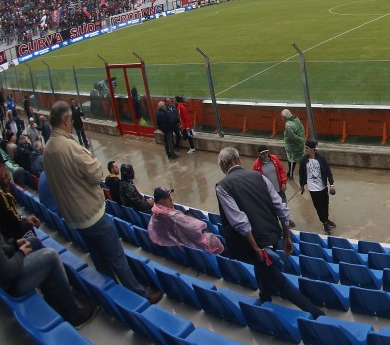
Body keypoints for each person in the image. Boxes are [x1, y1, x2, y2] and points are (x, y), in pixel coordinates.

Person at [43, 101, 161, 303]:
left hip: (73, 217)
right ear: (65, 120)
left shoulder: (48, 149)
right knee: (116, 256)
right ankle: (139, 295)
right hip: (90, 213)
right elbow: (97, 174)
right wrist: (90, 156)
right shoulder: (69, 146)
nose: (71, 122)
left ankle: (113, 295)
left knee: (99, 258)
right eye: (70, 119)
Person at [214, 147, 324, 325]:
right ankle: (265, 297)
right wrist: (286, 236)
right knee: (263, 269)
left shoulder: (223, 186)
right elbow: (281, 208)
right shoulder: (260, 177)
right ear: (238, 160)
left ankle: (317, 314)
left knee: (280, 282)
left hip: (254, 244)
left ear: (223, 164)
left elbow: (239, 221)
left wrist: (256, 248)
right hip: (272, 236)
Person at [0, 234, 99, 328]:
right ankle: (73, 314)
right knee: (51, 255)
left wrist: (13, 243)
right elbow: (8, 271)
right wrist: (20, 253)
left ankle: (55, 300)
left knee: (34, 241)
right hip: (12, 283)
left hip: (9, 266)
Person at [148, 187, 224, 254]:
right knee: (218, 240)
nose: (171, 199)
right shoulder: (173, 217)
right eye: (166, 198)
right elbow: (196, 229)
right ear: (159, 202)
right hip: (193, 248)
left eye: (169, 196)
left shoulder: (155, 213)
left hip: (179, 247)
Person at [299, 140, 336, 235]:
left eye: (307, 148)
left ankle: (326, 219)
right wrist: (302, 185)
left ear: (312, 149)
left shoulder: (320, 159)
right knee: (318, 206)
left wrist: (331, 184)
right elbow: (301, 173)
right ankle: (324, 223)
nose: (305, 149)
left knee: (325, 204)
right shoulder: (303, 160)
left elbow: (328, 171)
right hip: (312, 188)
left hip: (322, 187)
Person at [252, 146, 293, 227]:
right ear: (259, 154)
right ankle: (276, 223)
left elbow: (281, 170)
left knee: (283, 206)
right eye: (262, 153)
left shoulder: (274, 159)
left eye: (266, 152)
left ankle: (286, 220)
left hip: (279, 190)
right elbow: (257, 180)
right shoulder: (256, 165)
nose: (265, 154)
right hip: (269, 193)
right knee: (272, 209)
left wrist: (283, 182)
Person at [0, 166, 41, 240]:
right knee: (27, 226)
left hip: (7, 238)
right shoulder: (3, 197)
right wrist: (26, 221)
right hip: (8, 241)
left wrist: (25, 219)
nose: (5, 169)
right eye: (2, 167)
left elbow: (13, 218)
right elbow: (13, 224)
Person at [282, 109, 305, 179]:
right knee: (301, 158)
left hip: (293, 146)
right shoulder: (296, 120)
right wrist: (302, 139)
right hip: (299, 144)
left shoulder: (288, 125)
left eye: (282, 116)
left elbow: (292, 137)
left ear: (285, 117)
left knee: (292, 159)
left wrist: (300, 140)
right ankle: (303, 172)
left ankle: (290, 173)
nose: (281, 118)